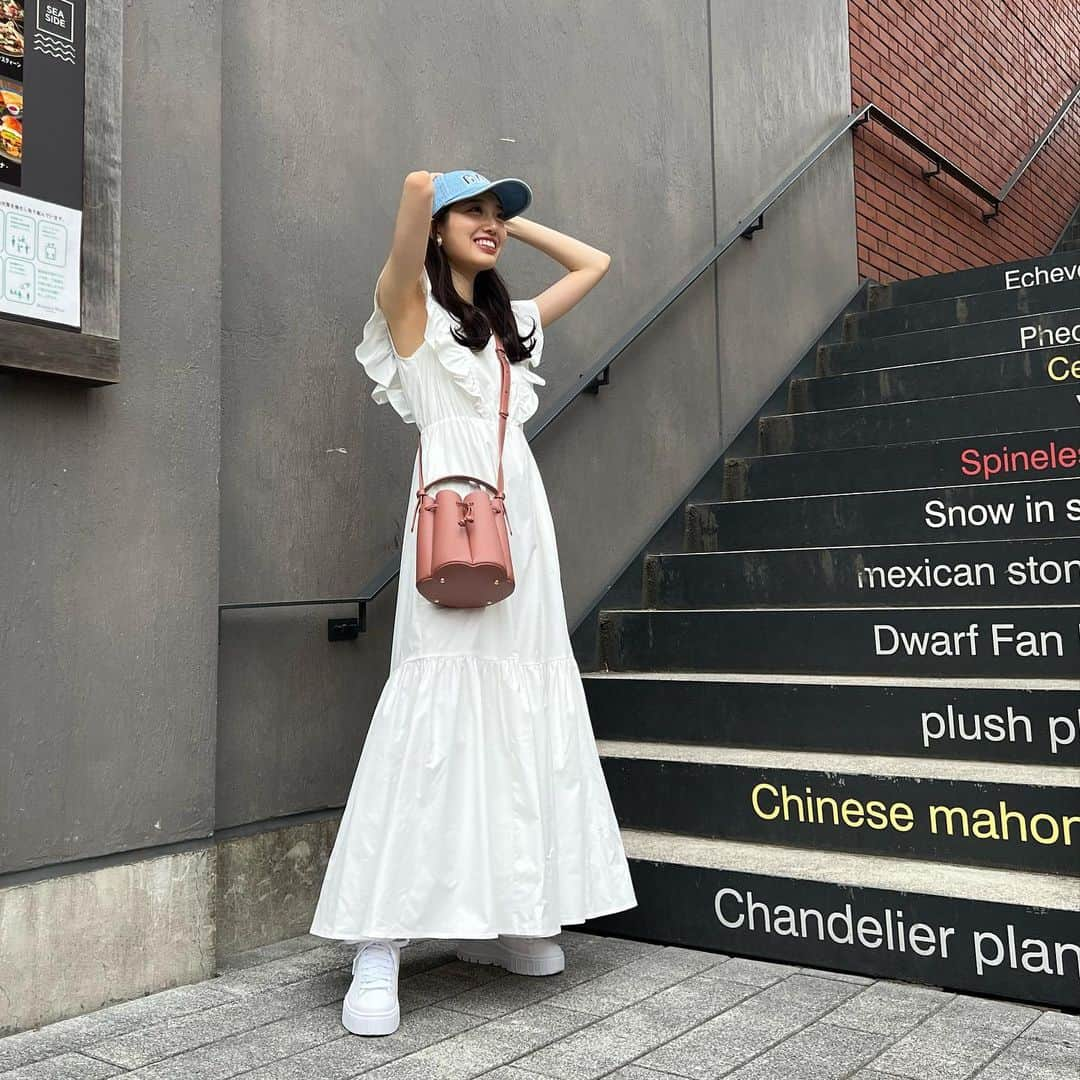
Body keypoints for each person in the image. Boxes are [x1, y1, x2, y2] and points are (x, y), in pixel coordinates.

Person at [309, 169, 638, 1036]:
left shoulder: (509, 325)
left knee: (518, 706)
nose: (491, 225)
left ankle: (506, 916)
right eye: (476, 214)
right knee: (434, 708)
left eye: (499, 214)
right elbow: (403, 234)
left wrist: (510, 231)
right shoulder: (411, 310)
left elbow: (595, 263)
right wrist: (429, 194)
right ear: (437, 227)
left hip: (519, 521)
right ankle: (377, 945)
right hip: (449, 516)